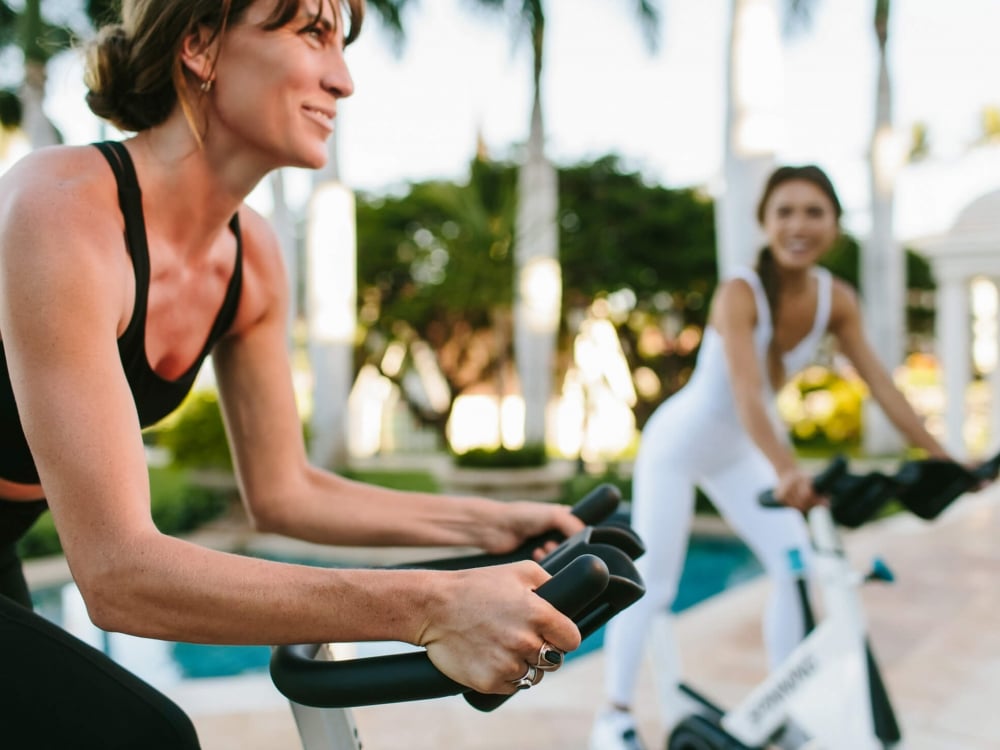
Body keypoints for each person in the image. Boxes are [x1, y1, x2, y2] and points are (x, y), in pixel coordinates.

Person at [0, 1, 584, 747]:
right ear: (200, 46)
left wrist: (503, 527)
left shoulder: (253, 257)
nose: (342, 80)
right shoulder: (65, 206)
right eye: (313, 33)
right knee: (140, 735)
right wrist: (432, 606)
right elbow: (117, 571)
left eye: (343, 45)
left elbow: (286, 492)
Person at [588, 164, 955, 750]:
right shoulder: (741, 290)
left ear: (835, 223)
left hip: (739, 454)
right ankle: (614, 717)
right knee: (652, 583)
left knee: (796, 566)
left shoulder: (838, 300)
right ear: (764, 222)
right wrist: (787, 469)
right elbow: (745, 392)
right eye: (784, 211)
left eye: (814, 211)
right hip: (678, 446)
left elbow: (882, 385)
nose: (798, 224)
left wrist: (944, 458)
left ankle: (791, 704)